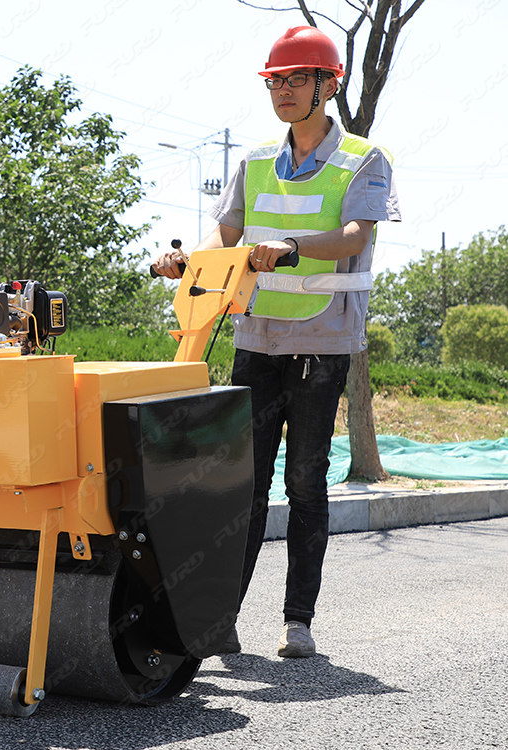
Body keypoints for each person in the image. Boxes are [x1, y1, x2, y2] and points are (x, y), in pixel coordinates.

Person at [153, 26, 401, 658]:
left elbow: (352, 238)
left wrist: (289, 249)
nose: (284, 91)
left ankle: (298, 622)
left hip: (322, 343)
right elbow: (226, 232)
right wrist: (186, 257)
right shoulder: (256, 161)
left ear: (329, 84)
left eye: (296, 80)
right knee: (242, 484)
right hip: (256, 338)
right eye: (276, 82)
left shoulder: (364, 159)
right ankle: (219, 619)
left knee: (307, 481)